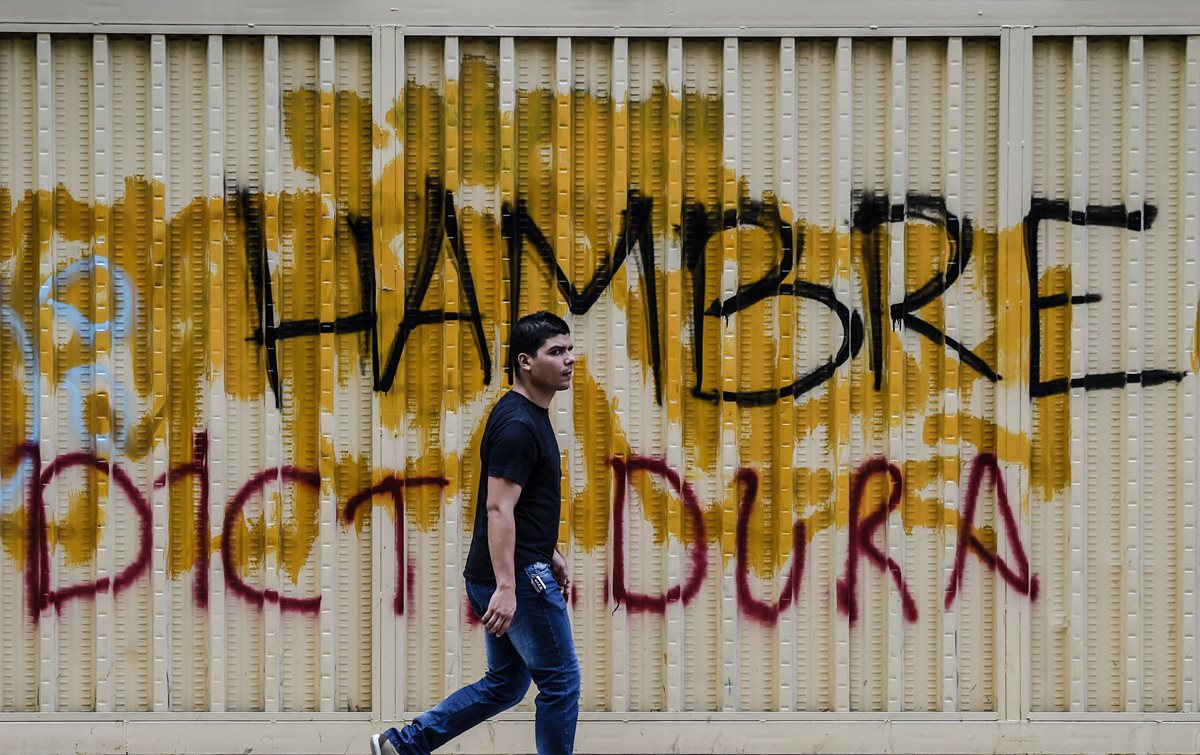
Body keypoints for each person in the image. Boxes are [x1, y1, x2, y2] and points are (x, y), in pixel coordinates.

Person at [371, 311, 581, 755]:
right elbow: (498, 507)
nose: (569, 360)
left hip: (510, 567)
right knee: (561, 684)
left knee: (505, 684)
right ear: (526, 361)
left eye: (569, 349)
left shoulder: (524, 413)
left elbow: (519, 504)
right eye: (556, 352)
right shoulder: (520, 426)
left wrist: (550, 548)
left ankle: (403, 745)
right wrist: (508, 586)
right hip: (517, 576)